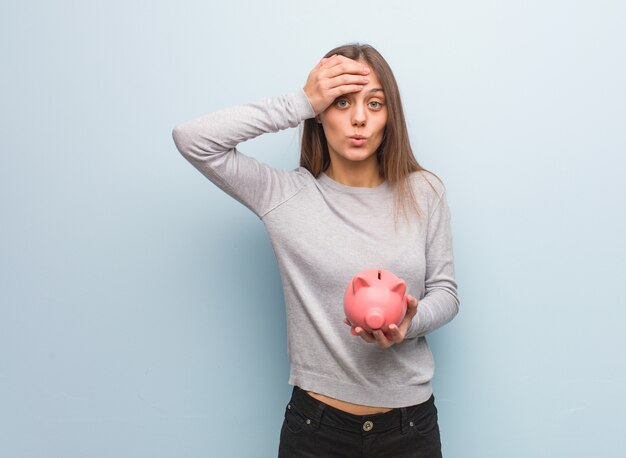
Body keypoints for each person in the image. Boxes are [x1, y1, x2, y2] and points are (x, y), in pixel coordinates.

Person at [172, 43, 459, 458]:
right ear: (320, 114)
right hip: (317, 430)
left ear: (389, 116)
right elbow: (192, 139)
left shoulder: (423, 191)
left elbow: (446, 294)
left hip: (409, 428)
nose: (359, 117)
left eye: (374, 103)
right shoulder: (284, 196)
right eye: (341, 102)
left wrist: (409, 324)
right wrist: (300, 101)